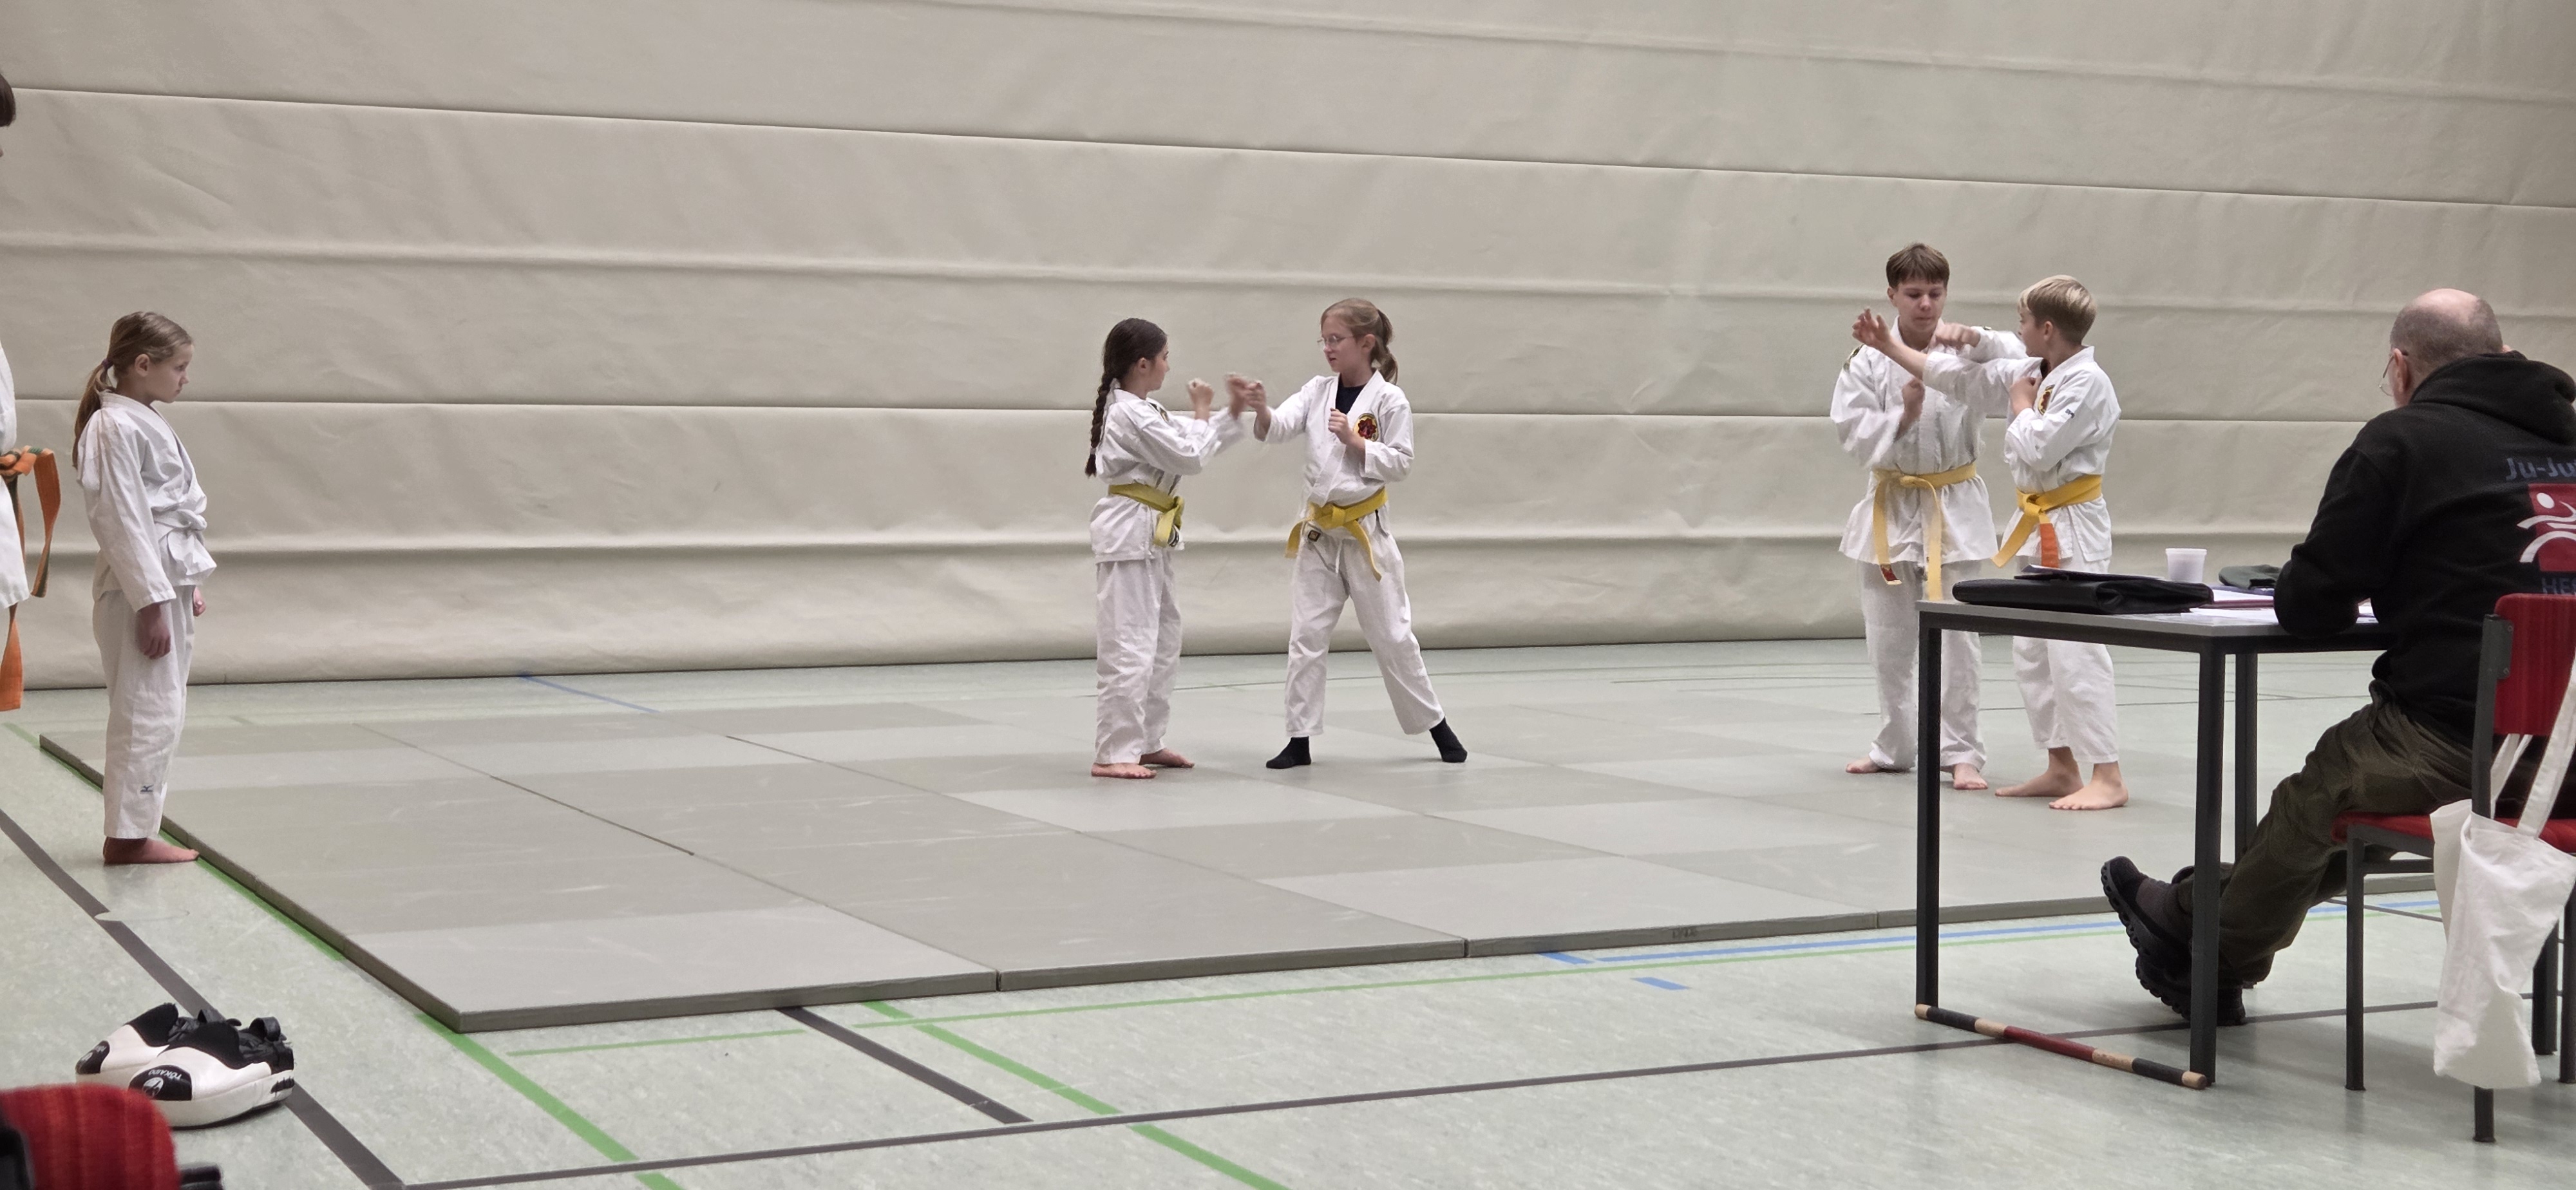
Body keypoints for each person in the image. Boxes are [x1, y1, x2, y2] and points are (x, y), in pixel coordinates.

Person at [2103, 290, 2576, 1023]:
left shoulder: (2403, 440)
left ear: (2400, 367)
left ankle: (2205, 944)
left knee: (2329, 791)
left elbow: (2312, 603)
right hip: (2571, 759)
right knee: (2358, 800)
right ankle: (2196, 918)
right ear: (2504, 354)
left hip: (2465, 743)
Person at [1855, 275, 2128, 811]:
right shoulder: (2035, 370)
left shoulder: (2088, 382)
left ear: (2046, 329)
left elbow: (2041, 448)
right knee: (2034, 654)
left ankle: (2109, 775)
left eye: (2022, 322)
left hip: (2074, 527)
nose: (2017, 331)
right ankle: (2062, 766)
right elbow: (1958, 379)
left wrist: (2021, 407)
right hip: (2038, 526)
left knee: (2075, 653)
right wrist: (1891, 346)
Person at [1228, 299, 1466, 768]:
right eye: (1324, 340)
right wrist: (1261, 409)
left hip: (1365, 535)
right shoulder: (1317, 391)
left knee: (1393, 637)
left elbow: (1401, 463)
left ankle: (1438, 726)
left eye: (1336, 340)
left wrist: (1357, 442)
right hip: (1319, 535)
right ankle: (1299, 740)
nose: (1328, 348)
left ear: (1366, 343)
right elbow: (1278, 428)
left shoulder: (1390, 400)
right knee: (1306, 636)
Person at [1832, 243, 2025, 791]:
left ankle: (1961, 753)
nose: (1925, 304)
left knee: (1959, 641)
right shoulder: (1866, 361)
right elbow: (1850, 432)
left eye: (1935, 294)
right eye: (1913, 294)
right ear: (1892, 295)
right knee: (1888, 639)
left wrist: (1978, 337)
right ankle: (1895, 746)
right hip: (1891, 506)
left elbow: (2023, 362)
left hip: (1953, 503)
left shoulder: (1965, 350)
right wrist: (1904, 415)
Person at [77, 313, 213, 865]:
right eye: (178, 367)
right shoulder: (113, 426)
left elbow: (165, 515)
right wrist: (151, 603)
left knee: (163, 706)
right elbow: (123, 522)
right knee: (145, 710)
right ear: (142, 365)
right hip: (139, 590)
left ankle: (135, 831)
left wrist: (186, 582)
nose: (185, 378)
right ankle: (127, 840)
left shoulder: (141, 420)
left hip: (161, 579)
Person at [1086, 318, 1247, 779]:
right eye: (1164, 358)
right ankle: (1113, 752)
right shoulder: (1128, 414)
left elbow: (1191, 439)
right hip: (1129, 535)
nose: (1168, 366)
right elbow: (1189, 455)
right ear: (1143, 364)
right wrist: (1203, 410)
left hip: (1151, 533)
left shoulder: (1146, 410)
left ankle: (1145, 741)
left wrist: (1234, 411)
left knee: (1161, 642)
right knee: (1129, 644)